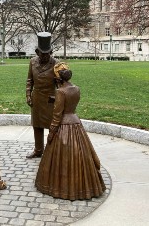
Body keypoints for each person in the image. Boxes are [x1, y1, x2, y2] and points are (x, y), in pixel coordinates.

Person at [35, 62, 105, 200]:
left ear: (58, 78)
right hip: (76, 122)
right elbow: (71, 104)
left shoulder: (60, 92)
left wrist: (51, 133)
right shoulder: (76, 88)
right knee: (81, 153)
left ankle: (61, 188)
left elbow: (57, 116)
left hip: (63, 126)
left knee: (60, 157)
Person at [25, 32, 58, 159]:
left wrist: (59, 98)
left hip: (51, 98)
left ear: (51, 52)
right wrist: (28, 95)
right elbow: (29, 80)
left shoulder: (56, 63)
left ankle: (52, 150)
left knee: (52, 126)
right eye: (42, 53)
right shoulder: (32, 62)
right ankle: (38, 150)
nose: (45, 56)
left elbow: (60, 83)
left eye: (47, 53)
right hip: (37, 97)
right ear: (37, 52)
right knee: (37, 125)